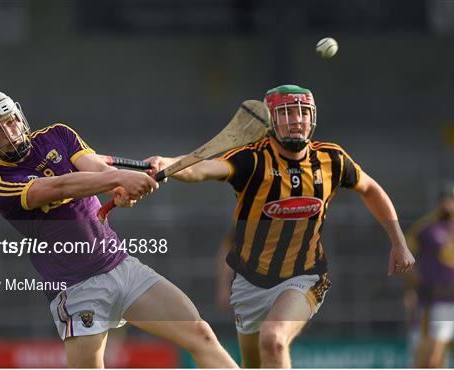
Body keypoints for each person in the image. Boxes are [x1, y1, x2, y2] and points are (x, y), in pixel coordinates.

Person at [146, 84, 416, 368]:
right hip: (249, 282)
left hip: (304, 276)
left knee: (273, 339)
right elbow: (202, 169)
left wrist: (399, 243)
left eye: (303, 113)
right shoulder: (251, 159)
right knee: (255, 363)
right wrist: (170, 164)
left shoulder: (331, 159)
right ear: (271, 122)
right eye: (288, 113)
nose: (297, 120)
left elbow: (371, 189)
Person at [0, 91, 238, 368]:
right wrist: (120, 178)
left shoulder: (57, 134)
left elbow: (96, 169)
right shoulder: (1, 182)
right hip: (77, 288)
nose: (8, 133)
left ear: (20, 117)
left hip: (120, 266)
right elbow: (61, 186)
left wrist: (120, 188)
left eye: (10, 121)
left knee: (201, 334)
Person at [405, 182, 454, 368]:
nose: (448, 204)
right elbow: (405, 255)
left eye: (452, 200)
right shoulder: (426, 228)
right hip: (437, 300)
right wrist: (411, 287)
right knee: (432, 359)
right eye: (445, 200)